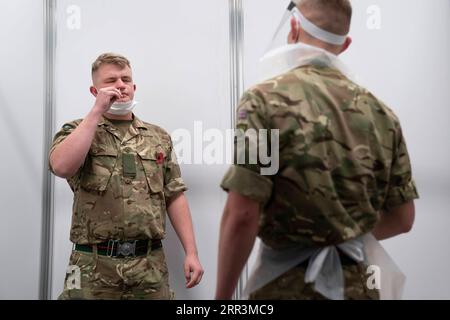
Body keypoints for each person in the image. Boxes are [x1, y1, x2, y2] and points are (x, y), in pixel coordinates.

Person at [216, 0, 419, 300]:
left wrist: (222, 300)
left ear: (294, 27)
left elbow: (243, 213)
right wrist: (340, 236)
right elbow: (403, 218)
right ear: (346, 44)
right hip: (359, 288)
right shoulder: (381, 114)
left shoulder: (264, 100)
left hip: (287, 288)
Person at [49, 53, 203, 299]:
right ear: (94, 90)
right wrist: (96, 112)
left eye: (125, 79)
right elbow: (61, 167)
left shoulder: (158, 137)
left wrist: (192, 252)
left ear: (134, 87)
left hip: (149, 265)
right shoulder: (76, 130)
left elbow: (174, 195)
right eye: (111, 80)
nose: (120, 85)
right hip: (92, 264)